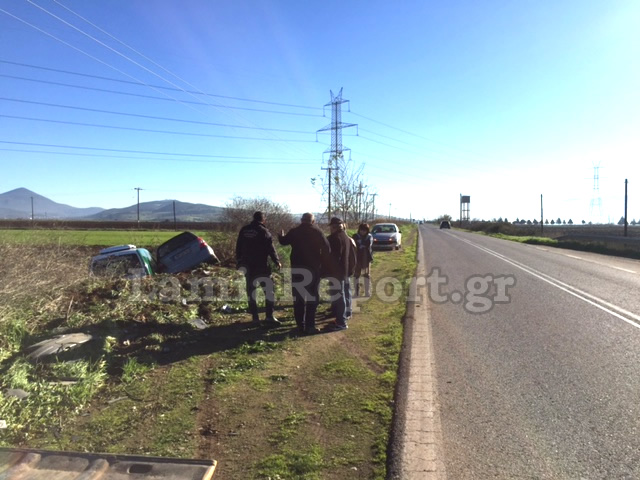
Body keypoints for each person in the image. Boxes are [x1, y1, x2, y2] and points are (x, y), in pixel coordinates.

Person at [278, 213, 330, 334]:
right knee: (312, 298)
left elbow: (284, 241)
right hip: (313, 269)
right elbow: (327, 249)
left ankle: (300, 326)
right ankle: (310, 326)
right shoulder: (318, 232)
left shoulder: (294, 231)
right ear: (313, 221)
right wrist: (321, 263)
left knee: (298, 298)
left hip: (297, 269)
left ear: (302, 220)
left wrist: (280, 236)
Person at [236, 211, 281, 326]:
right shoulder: (263, 231)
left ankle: (255, 318)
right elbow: (270, 248)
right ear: (263, 220)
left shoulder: (244, 230)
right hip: (262, 267)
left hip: (248, 266)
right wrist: (276, 261)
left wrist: (239, 261)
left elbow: (238, 246)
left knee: (251, 292)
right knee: (269, 291)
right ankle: (269, 317)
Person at [325, 217, 356, 331]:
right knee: (344, 293)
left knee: (339, 296)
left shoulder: (335, 239)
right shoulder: (346, 237)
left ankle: (341, 322)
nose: (330, 229)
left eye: (331, 227)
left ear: (334, 227)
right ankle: (345, 315)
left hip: (337, 272)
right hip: (345, 270)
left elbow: (334, 257)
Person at [352, 223, 373, 297]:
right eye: (361, 230)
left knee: (366, 275)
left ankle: (367, 292)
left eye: (364, 230)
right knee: (356, 275)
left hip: (366, 258)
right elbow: (353, 245)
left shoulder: (369, 237)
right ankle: (356, 292)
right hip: (357, 258)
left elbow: (368, 245)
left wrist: (361, 245)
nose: (362, 232)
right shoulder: (355, 236)